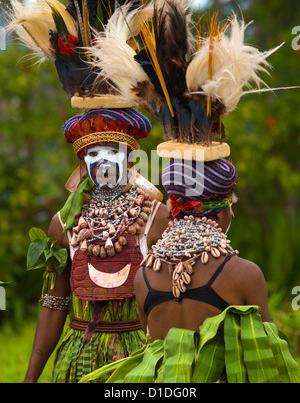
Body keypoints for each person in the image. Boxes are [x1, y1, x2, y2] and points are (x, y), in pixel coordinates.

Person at [81, 158, 300, 383]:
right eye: (230, 207)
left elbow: (151, 344)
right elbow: (268, 358)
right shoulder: (245, 275)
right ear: (218, 215)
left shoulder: (143, 276)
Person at [24, 108, 169, 383]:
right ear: (82, 162)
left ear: (129, 155)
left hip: (140, 360)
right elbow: (55, 304)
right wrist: (30, 378)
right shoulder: (64, 222)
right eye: (92, 154)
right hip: (79, 360)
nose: (102, 160)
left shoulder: (157, 217)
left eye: (112, 150)